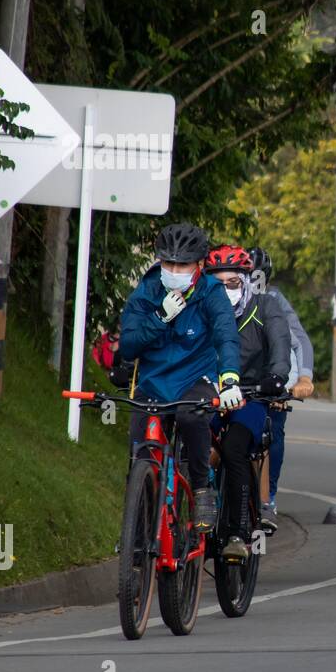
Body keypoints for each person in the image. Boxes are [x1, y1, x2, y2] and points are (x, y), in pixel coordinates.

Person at [118, 223, 242, 532]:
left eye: (182, 264)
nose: (173, 270)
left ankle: (201, 489)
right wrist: (159, 317)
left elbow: (226, 336)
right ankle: (138, 530)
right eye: (167, 262)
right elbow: (129, 345)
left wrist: (229, 379)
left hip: (194, 378)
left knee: (191, 416)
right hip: (152, 383)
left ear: (199, 264)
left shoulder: (212, 293)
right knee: (141, 455)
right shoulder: (147, 290)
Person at [205, 244, 291, 555]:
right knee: (196, 447)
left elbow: (281, 345)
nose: (225, 290)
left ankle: (237, 532)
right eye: (217, 284)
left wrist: (277, 377)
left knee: (234, 448)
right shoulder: (201, 310)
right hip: (210, 395)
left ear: (246, 281)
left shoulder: (266, 306)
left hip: (252, 396)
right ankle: (197, 517)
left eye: (233, 283)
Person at [249, 247, 314, 518]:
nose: (250, 284)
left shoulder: (274, 300)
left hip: (272, 378)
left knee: (271, 433)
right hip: (235, 378)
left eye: (257, 277)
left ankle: (268, 498)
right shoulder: (219, 299)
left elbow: (297, 341)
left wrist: (303, 377)